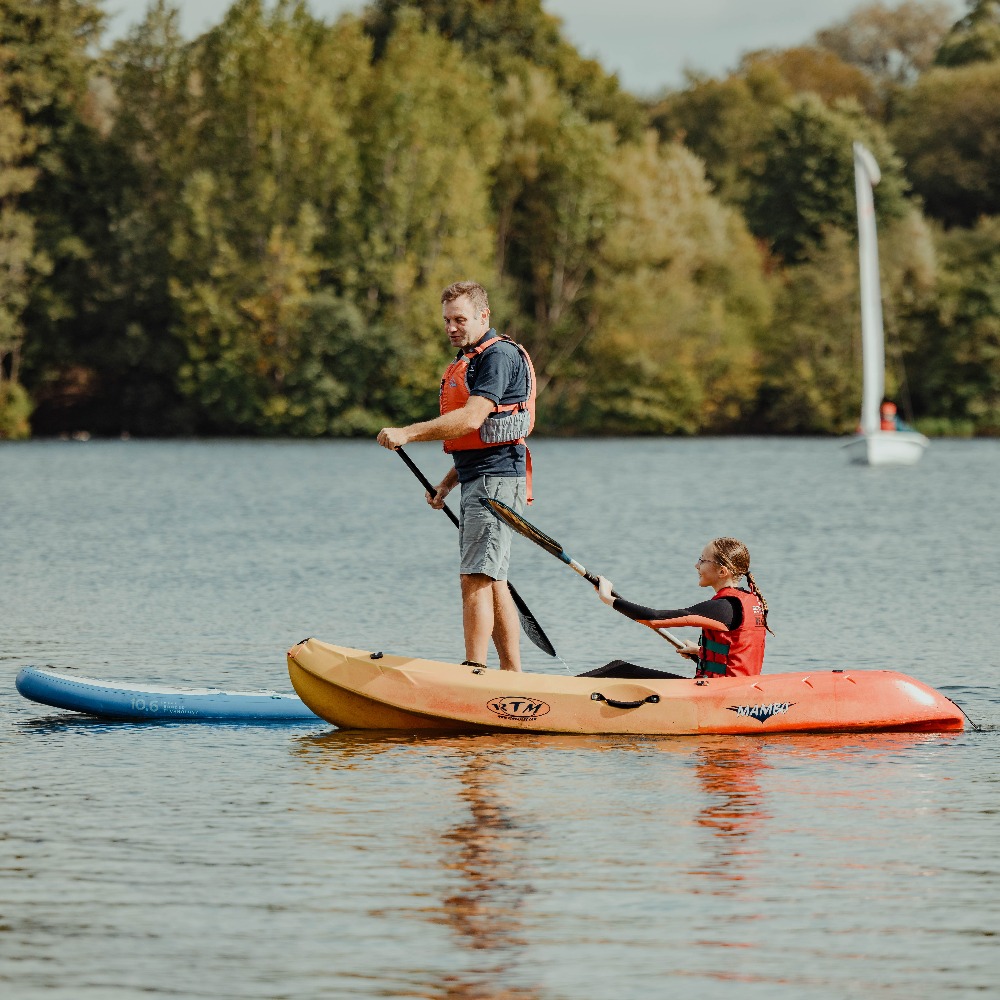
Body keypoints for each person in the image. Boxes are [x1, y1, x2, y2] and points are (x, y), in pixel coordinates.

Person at [377, 280, 535, 672]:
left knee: (476, 578)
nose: (451, 327)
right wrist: (446, 484)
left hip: (496, 483)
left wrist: (408, 433)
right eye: (447, 320)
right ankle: (512, 676)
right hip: (483, 478)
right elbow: (479, 441)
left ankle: (474, 671)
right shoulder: (474, 357)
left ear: (484, 316)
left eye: (460, 319)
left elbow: (471, 418)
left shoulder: (497, 357)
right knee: (492, 580)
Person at [591, 537, 772, 678]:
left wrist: (608, 598)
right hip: (738, 693)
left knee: (619, 671)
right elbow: (740, 653)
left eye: (702, 560)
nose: (696, 565)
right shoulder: (751, 601)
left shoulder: (724, 607)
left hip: (715, 695)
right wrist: (702, 652)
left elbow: (654, 619)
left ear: (722, 571)